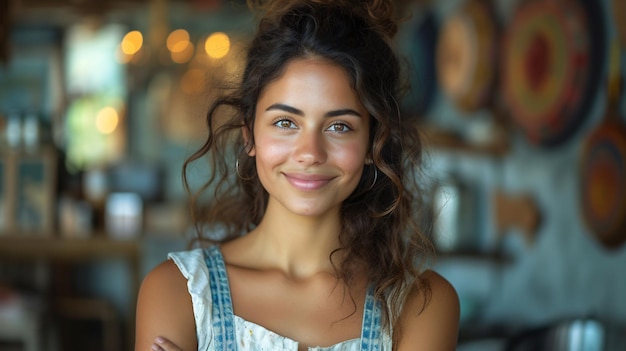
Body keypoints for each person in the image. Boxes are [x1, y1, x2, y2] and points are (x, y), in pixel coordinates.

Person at [135, 0, 460, 350]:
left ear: (372, 144)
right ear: (250, 136)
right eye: (285, 122)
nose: (310, 153)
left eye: (339, 126)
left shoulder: (421, 304)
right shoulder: (177, 292)